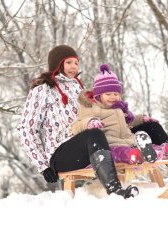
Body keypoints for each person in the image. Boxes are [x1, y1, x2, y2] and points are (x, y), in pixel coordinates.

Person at [18, 45, 138, 199]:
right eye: (69, 62)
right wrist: (43, 165)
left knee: (139, 127)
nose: (74, 67)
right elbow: (26, 128)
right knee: (93, 134)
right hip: (60, 154)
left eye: (76, 63)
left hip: (88, 144)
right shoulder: (42, 90)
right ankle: (115, 190)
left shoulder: (78, 87)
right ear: (58, 64)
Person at [71, 64, 168, 167]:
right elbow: (76, 125)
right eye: (108, 94)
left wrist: (141, 119)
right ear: (98, 96)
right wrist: (90, 122)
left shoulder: (118, 109)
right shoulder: (92, 107)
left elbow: (128, 122)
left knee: (152, 147)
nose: (113, 97)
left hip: (129, 141)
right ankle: (136, 156)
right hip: (109, 146)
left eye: (116, 94)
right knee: (122, 152)